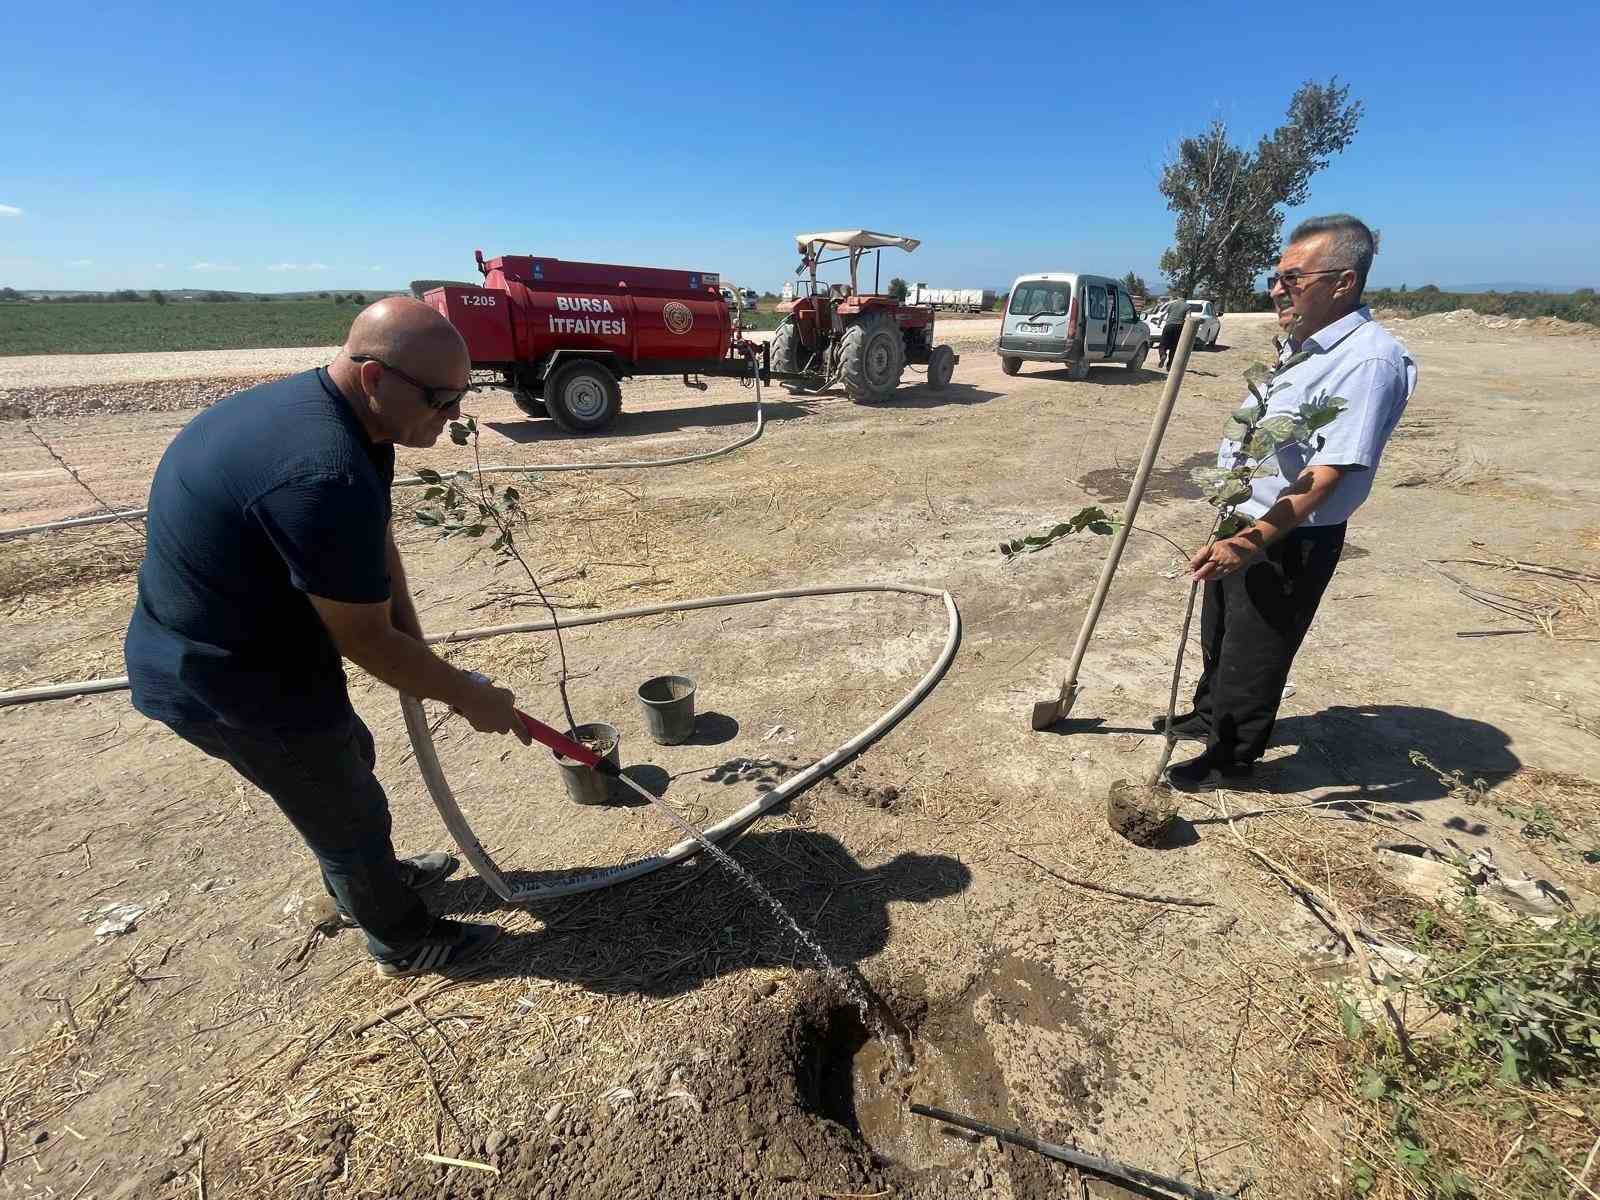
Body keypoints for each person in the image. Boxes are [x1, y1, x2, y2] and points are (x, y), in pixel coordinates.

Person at [124, 298, 532, 976]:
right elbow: (366, 642)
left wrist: (414, 634)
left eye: (463, 395)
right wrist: (467, 695)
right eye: (441, 398)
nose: (454, 415)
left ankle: (370, 877)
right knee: (345, 811)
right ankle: (400, 939)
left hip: (263, 645)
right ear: (376, 377)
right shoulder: (321, 470)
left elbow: (372, 541)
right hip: (225, 678)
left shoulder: (350, 421)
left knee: (348, 759)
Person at [1159, 215, 1417, 791]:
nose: (1277, 289)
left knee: (1258, 647)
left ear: (1343, 282)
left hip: (1290, 535)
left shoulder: (1368, 361)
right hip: (1246, 519)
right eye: (1275, 277)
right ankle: (1208, 718)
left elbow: (1325, 475)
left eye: (1292, 278)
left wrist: (1248, 542)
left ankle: (1231, 756)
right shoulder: (1304, 348)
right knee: (1221, 631)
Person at [1157, 295, 1188, 369]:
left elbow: (1162, 314)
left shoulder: (1172, 304)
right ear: (1187, 298)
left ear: (1178, 297)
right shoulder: (1187, 306)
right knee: (1174, 347)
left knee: (1162, 345)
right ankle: (1169, 365)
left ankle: (1163, 355)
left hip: (1168, 326)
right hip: (1179, 327)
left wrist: (1159, 324)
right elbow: (1188, 317)